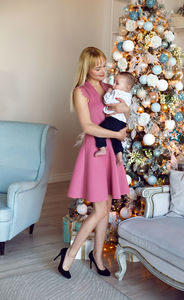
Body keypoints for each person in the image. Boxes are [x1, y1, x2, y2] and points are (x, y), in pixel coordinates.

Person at [54, 47, 130, 279]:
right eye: (98, 68)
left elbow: (125, 112)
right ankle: (69, 255)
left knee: (106, 209)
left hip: (110, 152)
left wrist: (126, 110)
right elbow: (87, 126)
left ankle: (97, 256)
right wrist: (117, 135)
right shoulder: (81, 92)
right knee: (99, 210)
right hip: (95, 151)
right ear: (87, 68)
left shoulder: (110, 88)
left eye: (104, 66)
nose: (103, 71)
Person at [94, 72, 134, 164]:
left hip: (113, 120)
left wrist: (107, 93)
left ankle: (102, 148)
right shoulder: (128, 95)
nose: (114, 85)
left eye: (117, 83)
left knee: (99, 130)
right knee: (116, 140)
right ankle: (119, 156)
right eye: (114, 82)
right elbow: (126, 110)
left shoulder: (117, 92)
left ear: (127, 87)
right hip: (122, 122)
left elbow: (107, 101)